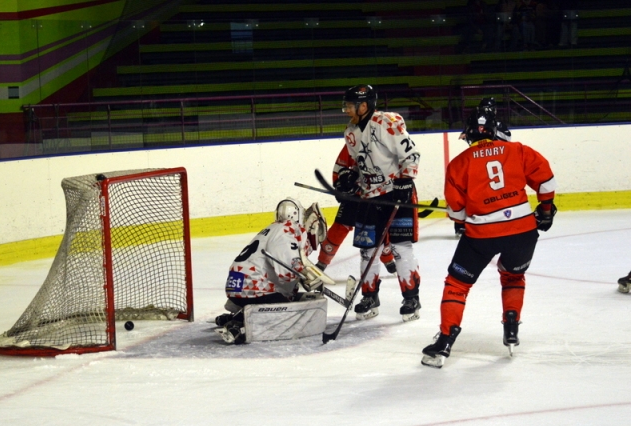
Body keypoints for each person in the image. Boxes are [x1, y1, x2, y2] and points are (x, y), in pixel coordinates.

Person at [421, 108, 557, 368]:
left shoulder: (459, 163)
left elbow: (458, 213)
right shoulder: (517, 150)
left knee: (457, 284)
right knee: (513, 276)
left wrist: (462, 218)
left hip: (481, 235)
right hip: (523, 232)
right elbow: (547, 183)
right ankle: (512, 327)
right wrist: (546, 211)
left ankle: (445, 342)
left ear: (469, 134)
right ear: (495, 131)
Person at [316, 84, 422, 322]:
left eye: (350, 105)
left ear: (364, 105)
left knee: (400, 247)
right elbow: (357, 163)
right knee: (367, 250)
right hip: (369, 195)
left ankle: (411, 298)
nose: (346, 110)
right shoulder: (351, 131)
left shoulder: (387, 122)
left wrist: (405, 181)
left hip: (397, 194)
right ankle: (370, 297)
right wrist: (348, 178)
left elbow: (411, 155)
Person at [215, 198, 329, 344]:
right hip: (253, 289)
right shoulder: (287, 230)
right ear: (297, 214)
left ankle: (235, 315)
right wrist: (305, 275)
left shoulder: (272, 228)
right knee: (288, 312)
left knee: (286, 299)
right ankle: (239, 324)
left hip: (237, 287)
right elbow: (286, 269)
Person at [454, 97, 512, 237]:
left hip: (486, 160)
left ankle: (465, 223)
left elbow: (507, 139)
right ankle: (463, 224)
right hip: (483, 160)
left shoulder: (495, 123)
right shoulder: (484, 122)